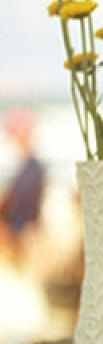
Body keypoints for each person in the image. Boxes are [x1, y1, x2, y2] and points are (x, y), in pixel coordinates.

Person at [0, 109, 45, 263]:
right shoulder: (29, 166)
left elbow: (24, 207)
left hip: (21, 231)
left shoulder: (32, 168)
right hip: (21, 230)